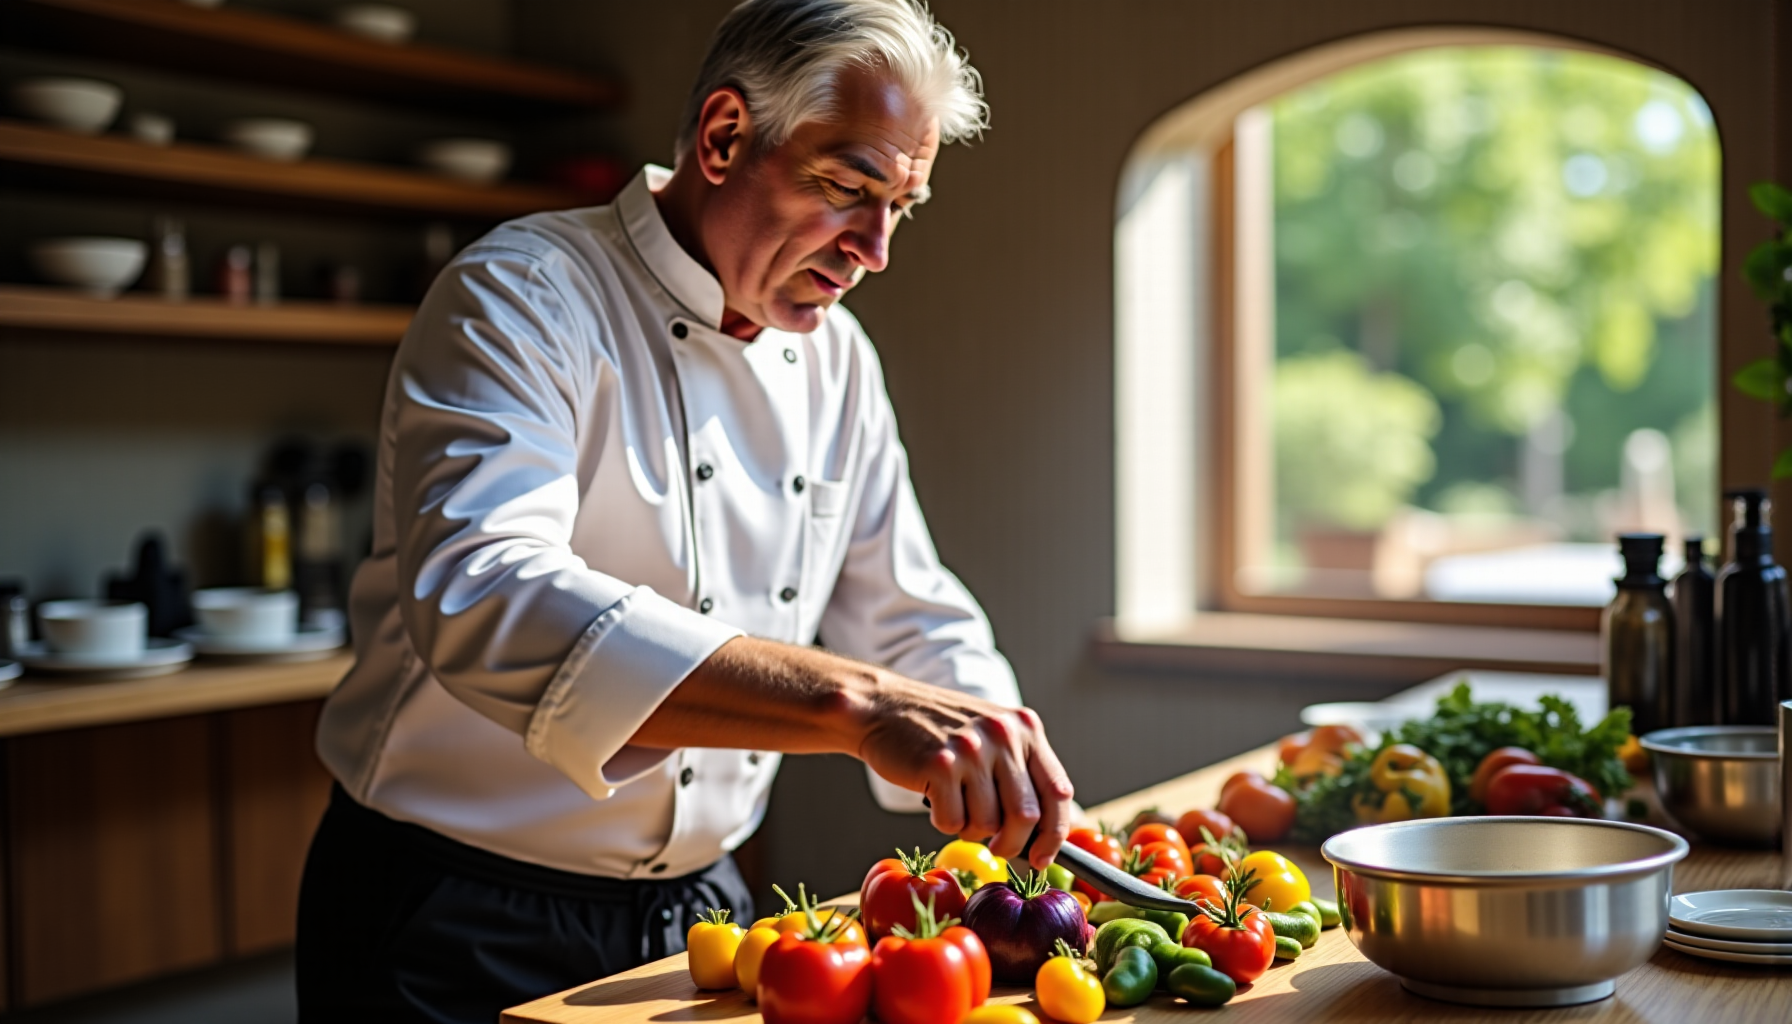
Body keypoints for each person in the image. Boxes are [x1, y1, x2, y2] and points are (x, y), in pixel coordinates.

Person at [294, 2, 1074, 1021]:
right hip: (450, 911)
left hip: (707, 915)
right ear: (722, 136)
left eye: (903, 205)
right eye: (848, 187)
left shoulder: (837, 359)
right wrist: (854, 705)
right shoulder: (522, 296)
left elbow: (906, 608)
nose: (875, 249)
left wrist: (1006, 762)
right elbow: (484, 592)